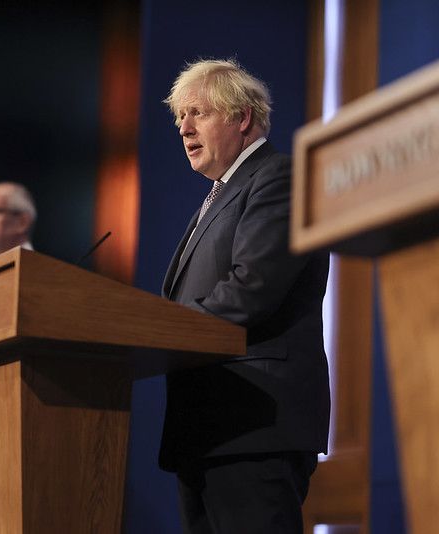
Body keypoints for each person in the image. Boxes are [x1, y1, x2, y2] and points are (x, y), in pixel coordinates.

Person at [159, 59, 331, 533]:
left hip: (254, 424)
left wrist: (161, 332)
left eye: (197, 113)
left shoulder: (278, 178)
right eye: (179, 117)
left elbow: (251, 289)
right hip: (207, 428)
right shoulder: (218, 194)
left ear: (242, 118)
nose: (184, 128)